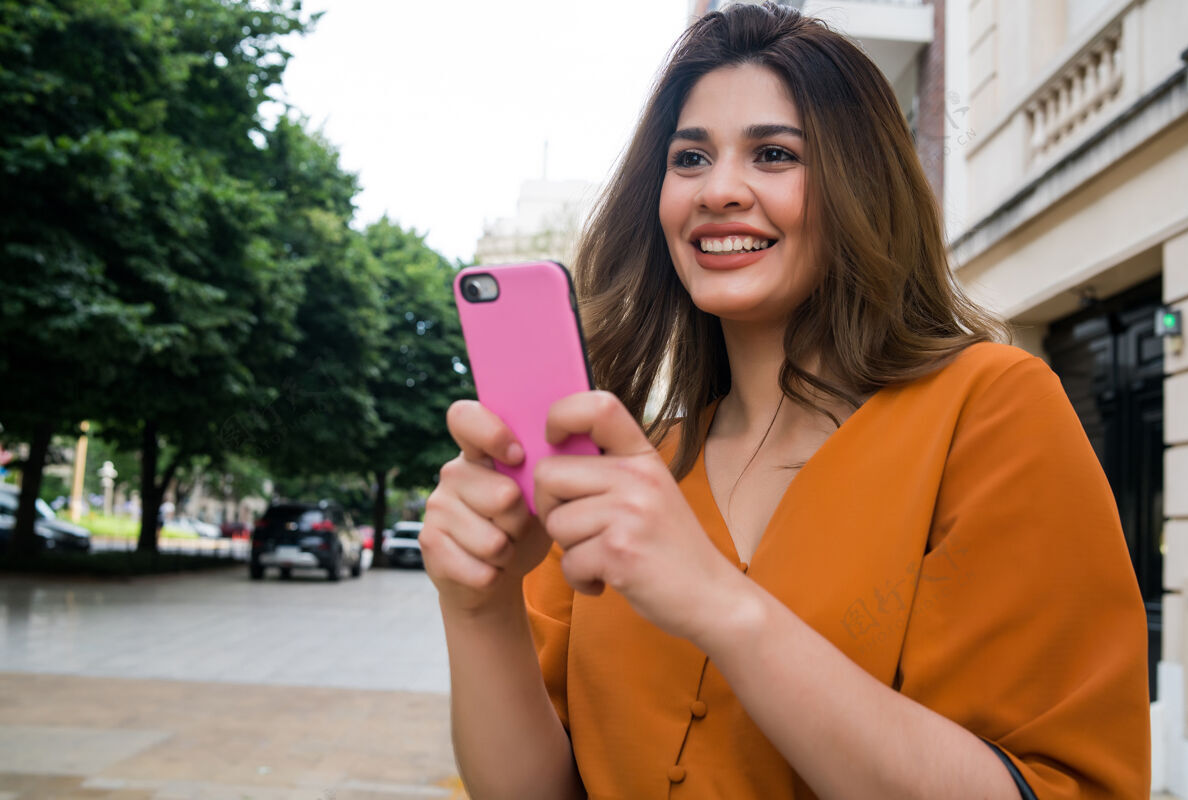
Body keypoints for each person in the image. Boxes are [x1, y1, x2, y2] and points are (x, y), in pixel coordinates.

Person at [420, 4, 1150, 799]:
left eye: (773, 154)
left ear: (860, 185)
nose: (718, 190)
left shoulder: (992, 410)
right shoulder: (626, 468)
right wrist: (478, 609)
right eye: (690, 158)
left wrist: (720, 605)